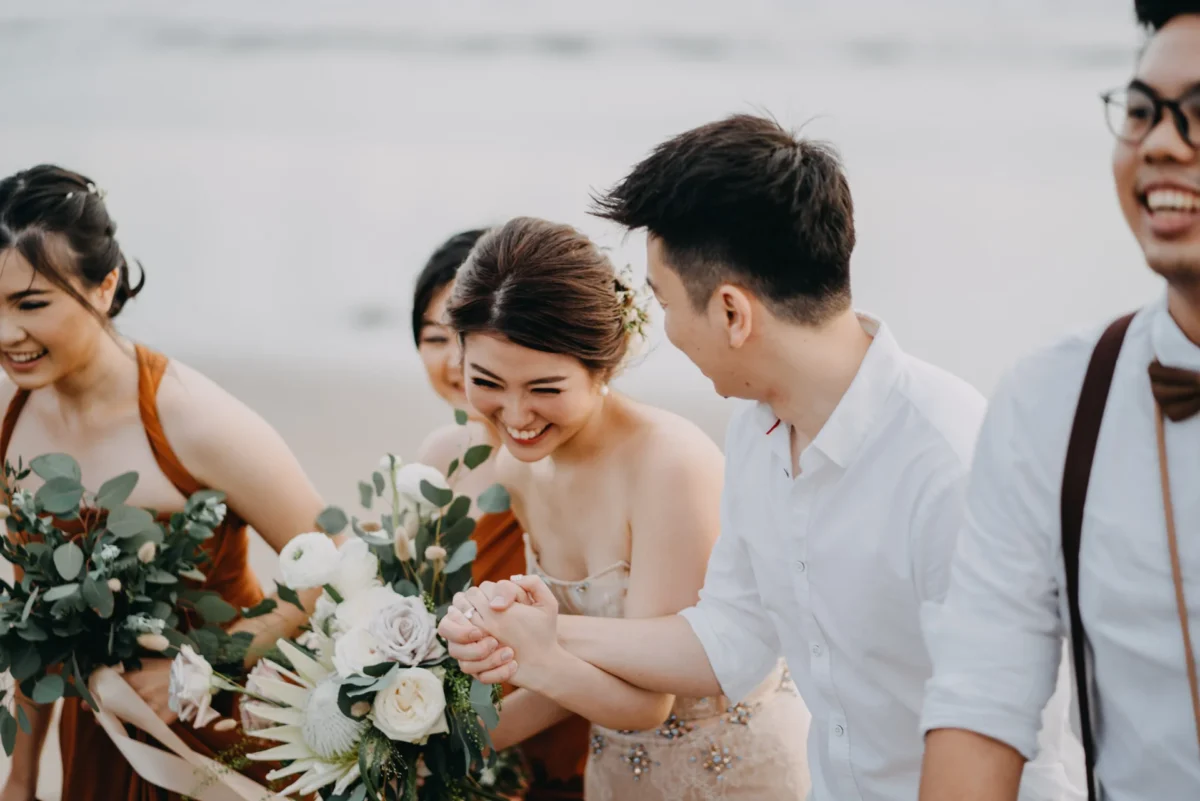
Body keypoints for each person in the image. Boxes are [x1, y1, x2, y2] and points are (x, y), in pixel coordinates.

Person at [440, 114, 1079, 801]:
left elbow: (1001, 726)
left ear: (732, 313)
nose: (663, 329)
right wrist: (543, 637)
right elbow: (728, 639)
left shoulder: (948, 460)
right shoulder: (757, 432)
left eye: (664, 302)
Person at [919, 4, 1200, 799]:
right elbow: (980, 703)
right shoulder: (1055, 401)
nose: (1162, 143)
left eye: (1199, 112)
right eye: (1141, 111)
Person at [440, 215, 812, 801]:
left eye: (545, 389)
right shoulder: (517, 468)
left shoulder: (669, 465)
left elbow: (646, 701)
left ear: (603, 368)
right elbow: (579, 674)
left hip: (735, 777)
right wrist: (439, 743)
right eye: (487, 382)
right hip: (618, 772)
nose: (515, 415)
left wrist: (530, 651)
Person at [0, 165, 327, 801]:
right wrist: (20, 777)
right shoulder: (11, 420)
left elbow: (332, 563)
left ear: (104, 286)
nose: (7, 333)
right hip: (100, 741)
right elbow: (35, 622)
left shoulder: (192, 419)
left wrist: (202, 664)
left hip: (222, 736)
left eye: (30, 304)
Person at [411, 228, 590, 800]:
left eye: (466, 339)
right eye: (434, 338)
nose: (454, 360)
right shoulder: (441, 454)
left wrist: (459, 743)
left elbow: (584, 632)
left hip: (542, 743)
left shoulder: (556, 463)